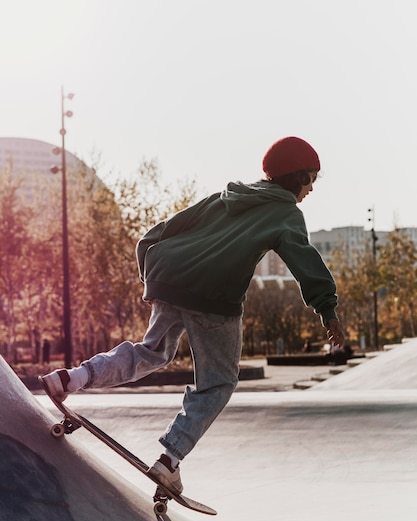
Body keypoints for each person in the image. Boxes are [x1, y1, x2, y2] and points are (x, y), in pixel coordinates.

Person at [42, 136, 344, 496]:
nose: (311, 187)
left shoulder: (227, 196)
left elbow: (160, 232)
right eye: (309, 178)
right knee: (218, 382)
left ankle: (70, 379)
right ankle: (170, 460)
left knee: (151, 352)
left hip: (169, 275)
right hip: (214, 296)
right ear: (293, 177)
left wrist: (150, 279)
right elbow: (305, 261)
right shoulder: (286, 213)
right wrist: (328, 309)